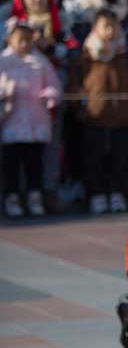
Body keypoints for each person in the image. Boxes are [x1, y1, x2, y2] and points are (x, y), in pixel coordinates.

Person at [67, 8, 128, 214]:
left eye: (114, 26)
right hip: (94, 117)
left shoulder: (126, 55)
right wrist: (81, 108)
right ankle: (97, 194)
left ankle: (117, 192)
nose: (110, 31)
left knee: (120, 158)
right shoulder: (86, 55)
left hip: (121, 116)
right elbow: (75, 84)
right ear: (96, 28)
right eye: (105, 26)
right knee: (94, 158)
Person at [1, 20, 61, 218]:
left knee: (34, 164)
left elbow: (53, 84)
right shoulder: (3, 63)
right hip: (10, 124)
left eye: (28, 39)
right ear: (9, 39)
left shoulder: (40, 62)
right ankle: (12, 198)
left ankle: (35, 198)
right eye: (20, 39)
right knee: (11, 165)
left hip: (36, 124)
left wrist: (49, 95)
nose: (24, 44)